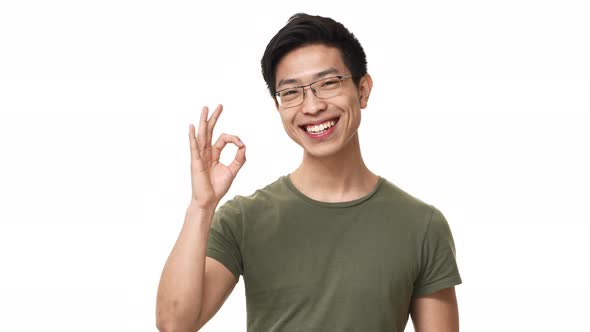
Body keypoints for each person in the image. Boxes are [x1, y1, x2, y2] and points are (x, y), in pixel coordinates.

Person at [156, 13, 462, 332]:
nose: (311, 106)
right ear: (278, 108)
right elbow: (174, 323)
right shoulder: (243, 218)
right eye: (291, 92)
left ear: (363, 89)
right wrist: (201, 206)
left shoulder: (422, 225)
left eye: (328, 84)